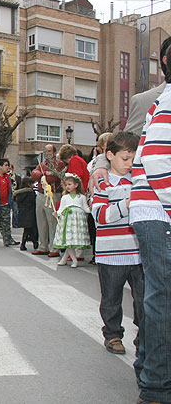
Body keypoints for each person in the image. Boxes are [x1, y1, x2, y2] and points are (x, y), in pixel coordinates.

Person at [129, 48, 171, 404]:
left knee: (159, 294)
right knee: (164, 297)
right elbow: (157, 158)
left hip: (152, 211)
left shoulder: (162, 98)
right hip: (160, 213)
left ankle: (148, 368)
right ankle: (157, 386)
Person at [90, 37, 170, 191]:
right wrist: (102, 165)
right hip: (158, 196)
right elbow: (123, 143)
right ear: (166, 60)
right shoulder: (146, 101)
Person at [91, 131, 142, 356]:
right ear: (110, 155)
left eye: (133, 159)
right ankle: (113, 334)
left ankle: (146, 337)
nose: (130, 164)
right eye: (125, 158)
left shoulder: (139, 181)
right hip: (111, 253)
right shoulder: (102, 183)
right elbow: (100, 216)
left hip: (139, 253)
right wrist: (127, 205)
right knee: (112, 298)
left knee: (144, 299)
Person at [30, 144, 66, 257]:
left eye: (49, 152)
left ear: (54, 153)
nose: (46, 154)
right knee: (41, 221)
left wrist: (42, 174)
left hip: (53, 194)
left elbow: (54, 177)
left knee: (52, 222)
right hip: (41, 194)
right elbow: (33, 175)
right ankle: (43, 246)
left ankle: (54, 248)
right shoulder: (42, 164)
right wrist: (44, 174)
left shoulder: (59, 164)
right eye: (45, 152)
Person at [52, 173, 91, 267]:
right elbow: (61, 209)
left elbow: (86, 209)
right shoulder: (65, 197)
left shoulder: (81, 197)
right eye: (66, 185)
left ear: (76, 185)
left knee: (72, 241)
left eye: (70, 184)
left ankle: (64, 259)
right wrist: (57, 213)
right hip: (67, 220)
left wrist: (92, 208)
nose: (67, 187)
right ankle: (74, 260)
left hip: (78, 221)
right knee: (69, 240)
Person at [14, 177, 38, 251]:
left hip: (22, 214)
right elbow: (34, 201)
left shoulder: (18, 194)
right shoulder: (30, 193)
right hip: (30, 214)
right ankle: (33, 242)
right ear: (29, 184)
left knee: (26, 230)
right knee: (31, 229)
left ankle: (25, 243)